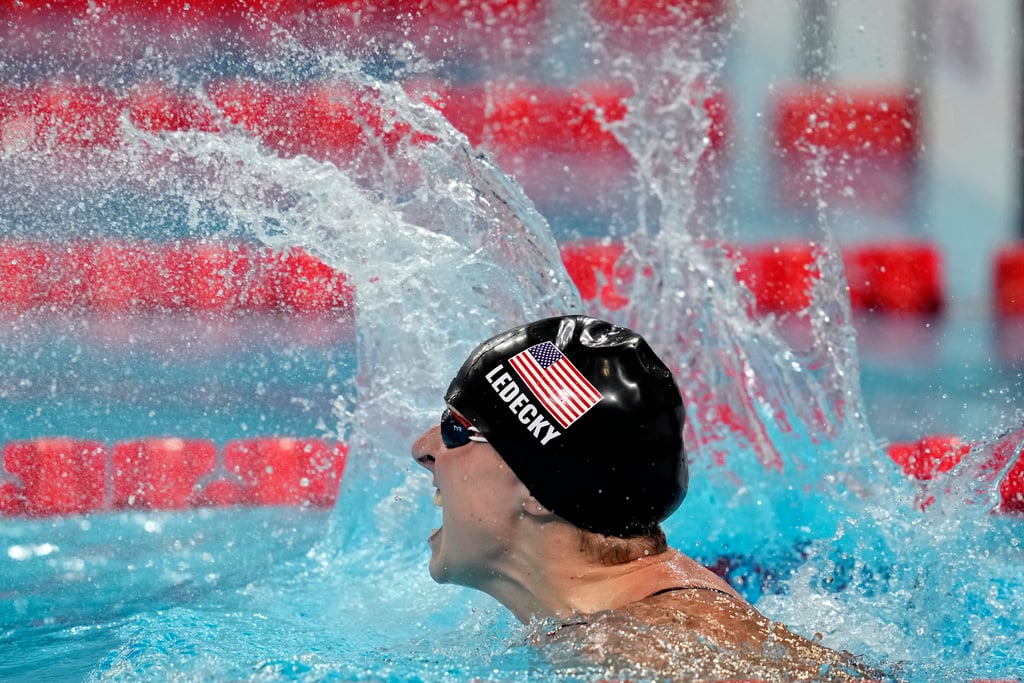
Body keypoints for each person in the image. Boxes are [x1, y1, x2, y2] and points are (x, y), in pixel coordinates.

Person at [411, 315, 883, 681]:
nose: (423, 449)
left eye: (456, 430)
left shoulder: (629, 648)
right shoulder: (631, 628)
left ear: (537, 489)